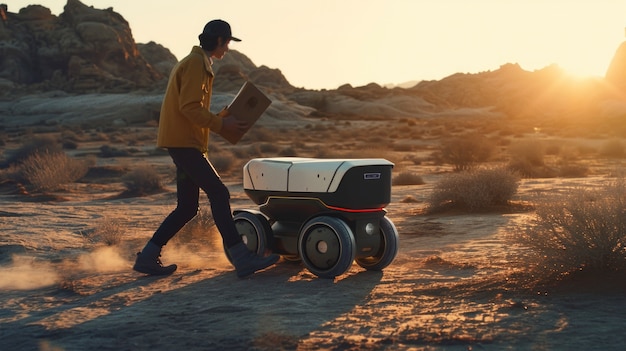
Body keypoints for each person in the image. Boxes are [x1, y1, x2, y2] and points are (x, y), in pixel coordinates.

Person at [133, 19, 279, 278]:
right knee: (220, 194)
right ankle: (242, 258)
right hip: (184, 144)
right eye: (228, 43)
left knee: (188, 207)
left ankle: (147, 256)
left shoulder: (196, 63)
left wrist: (223, 121)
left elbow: (191, 107)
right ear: (221, 41)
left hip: (185, 143)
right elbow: (189, 108)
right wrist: (222, 123)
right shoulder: (195, 64)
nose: (228, 49)